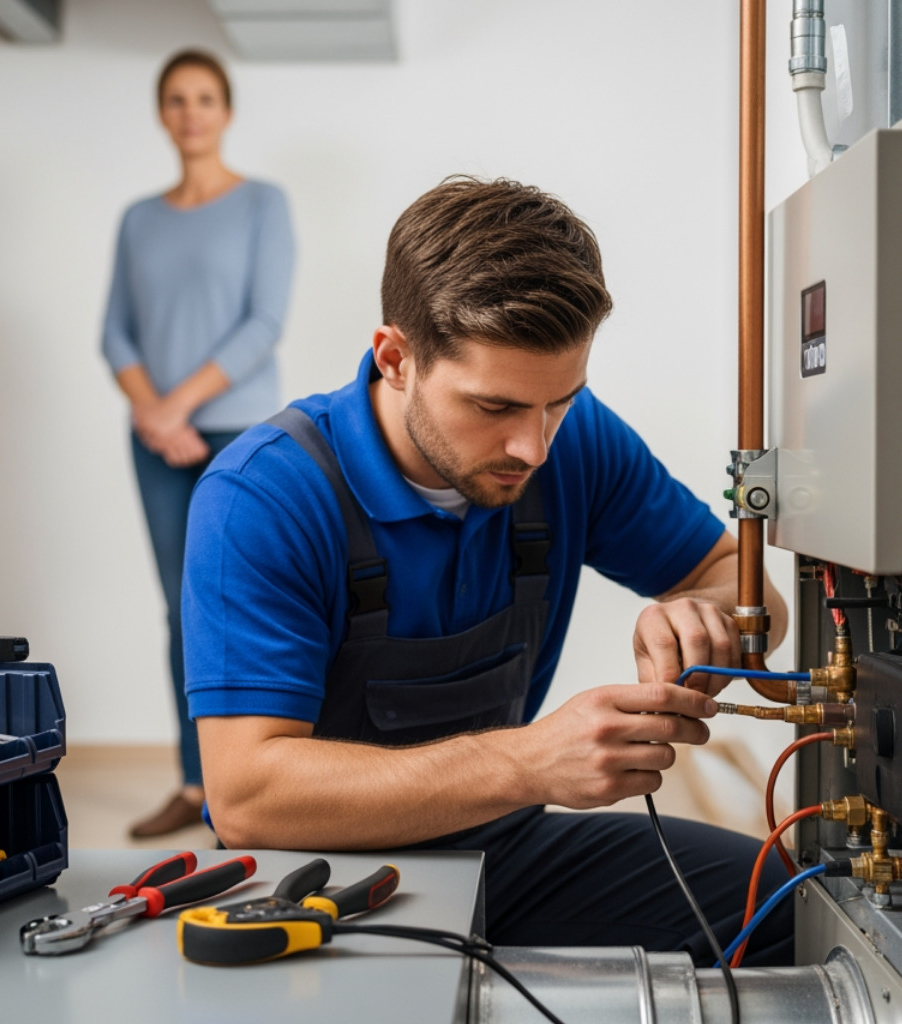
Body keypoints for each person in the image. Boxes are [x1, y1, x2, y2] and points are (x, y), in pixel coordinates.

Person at [180, 177, 796, 961]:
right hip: (313, 878)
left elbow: (747, 586)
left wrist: (703, 615)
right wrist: (527, 762)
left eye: (559, 402)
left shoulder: (574, 441)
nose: (533, 448)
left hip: (500, 849)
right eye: (495, 407)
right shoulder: (263, 496)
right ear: (396, 358)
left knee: (783, 902)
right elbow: (247, 798)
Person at [101, 49, 295, 838]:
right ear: (162, 114)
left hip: (237, 430)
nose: (191, 112)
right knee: (180, 612)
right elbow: (115, 333)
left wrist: (177, 405)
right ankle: (193, 783)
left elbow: (264, 324)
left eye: (205, 98)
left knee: (237, 606)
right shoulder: (138, 219)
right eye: (177, 99)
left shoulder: (263, 204)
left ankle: (245, 789)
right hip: (155, 438)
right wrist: (154, 414)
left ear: (226, 111)